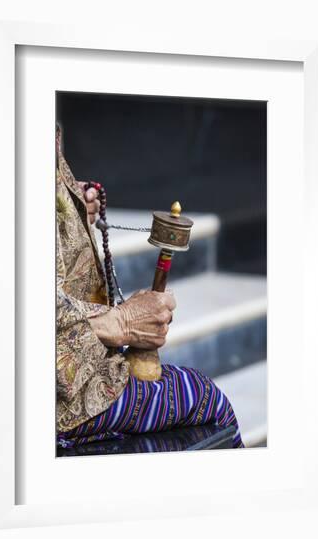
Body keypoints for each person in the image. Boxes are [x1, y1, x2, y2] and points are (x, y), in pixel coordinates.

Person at [56, 125, 244, 449]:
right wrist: (121, 322)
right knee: (209, 401)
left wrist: (68, 204)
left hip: (85, 367)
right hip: (61, 398)